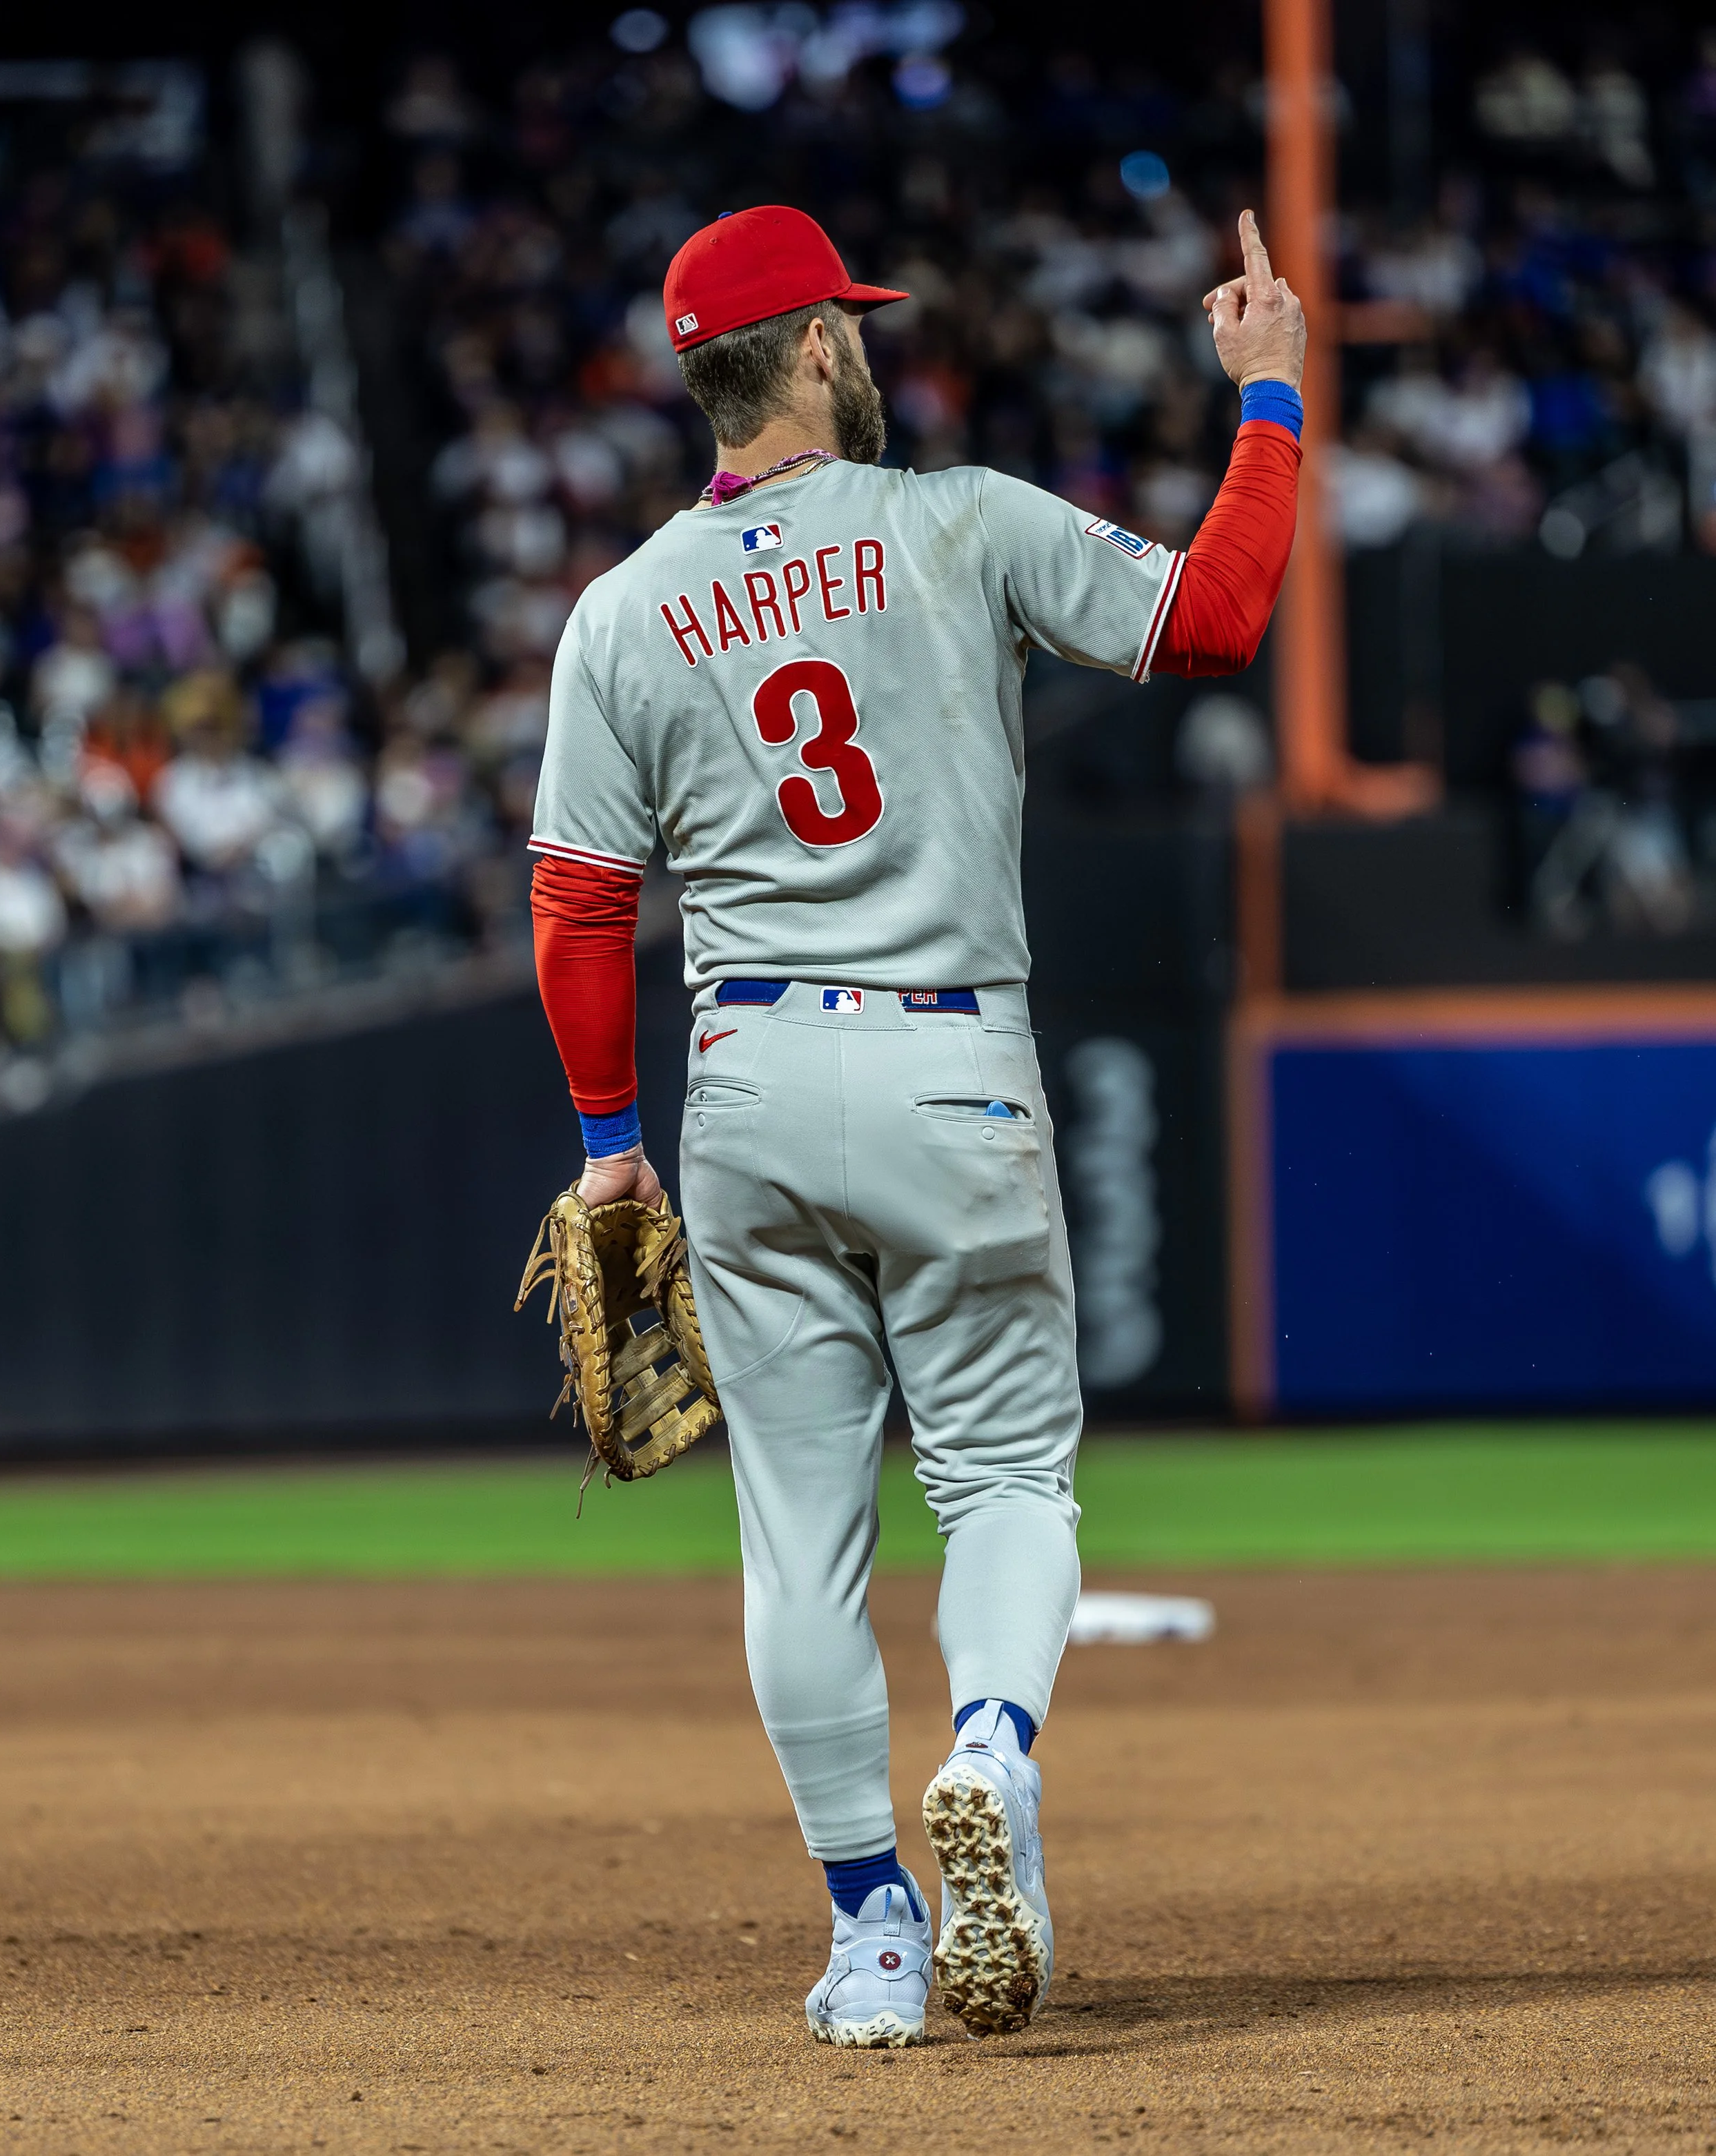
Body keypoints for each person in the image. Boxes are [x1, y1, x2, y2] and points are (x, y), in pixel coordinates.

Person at [529, 202, 1305, 2046]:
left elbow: (578, 906)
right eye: (847, 326)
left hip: (749, 1087)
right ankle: (991, 1746)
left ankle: (873, 1922)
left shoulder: (621, 608)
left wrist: (606, 1146)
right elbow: (1215, 616)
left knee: (797, 1535)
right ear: (807, 350)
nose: (865, 345)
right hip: (948, 1051)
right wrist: (1264, 396)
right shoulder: (956, 518)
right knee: (1005, 1481)